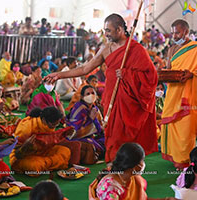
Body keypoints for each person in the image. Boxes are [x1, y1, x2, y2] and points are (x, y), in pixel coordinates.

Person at [45, 13, 158, 163]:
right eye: (105, 31)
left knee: (127, 140)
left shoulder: (136, 50)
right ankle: (115, 169)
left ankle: (128, 169)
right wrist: (59, 75)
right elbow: (85, 69)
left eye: (108, 31)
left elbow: (152, 76)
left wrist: (128, 74)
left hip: (131, 105)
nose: (106, 34)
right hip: (112, 102)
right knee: (113, 137)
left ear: (119, 29)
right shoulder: (106, 49)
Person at [161, 19, 197, 168]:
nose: (174, 36)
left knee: (186, 127)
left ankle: (185, 160)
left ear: (186, 32)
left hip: (190, 95)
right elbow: (169, 68)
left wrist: (191, 74)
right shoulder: (172, 49)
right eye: (173, 32)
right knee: (172, 124)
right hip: (173, 93)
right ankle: (176, 157)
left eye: (177, 32)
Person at [89, 143, 178, 200]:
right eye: (142, 161)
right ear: (135, 167)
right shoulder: (111, 188)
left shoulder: (132, 179)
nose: (144, 164)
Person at [10, 107, 76, 174]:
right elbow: (16, 154)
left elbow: (49, 142)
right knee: (34, 166)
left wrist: (65, 134)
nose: (54, 127)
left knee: (65, 151)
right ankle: (50, 165)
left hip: (43, 152)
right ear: (44, 120)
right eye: (53, 124)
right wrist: (25, 146)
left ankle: (45, 166)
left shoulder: (48, 125)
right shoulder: (26, 128)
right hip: (25, 156)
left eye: (57, 124)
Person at [66, 85, 105, 163]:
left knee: (107, 139)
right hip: (75, 138)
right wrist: (90, 119)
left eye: (93, 93)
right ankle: (95, 153)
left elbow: (99, 129)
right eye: (88, 94)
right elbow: (74, 132)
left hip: (91, 136)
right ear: (82, 97)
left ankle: (97, 152)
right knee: (91, 143)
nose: (91, 95)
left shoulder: (94, 108)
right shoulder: (79, 108)